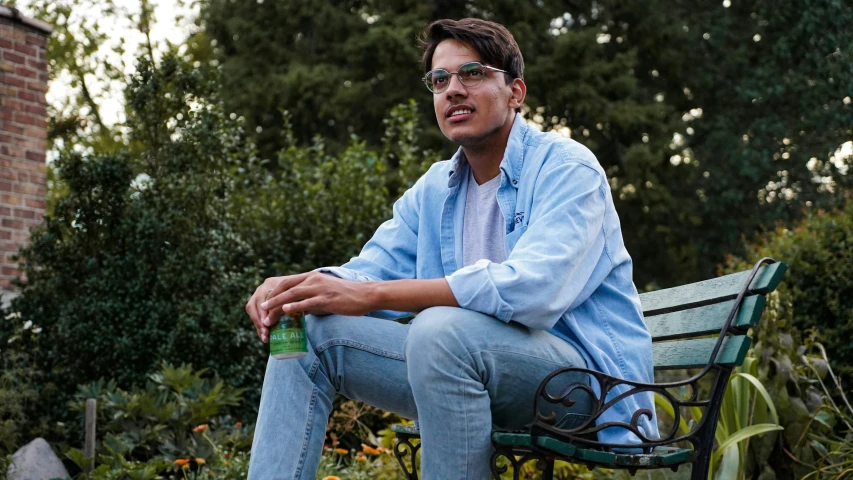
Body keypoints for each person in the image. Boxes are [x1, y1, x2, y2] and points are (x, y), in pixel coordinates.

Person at [245, 18, 657, 480]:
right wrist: (299, 288)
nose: (453, 90)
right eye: (440, 80)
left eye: (473, 73)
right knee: (309, 331)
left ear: (515, 92)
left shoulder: (567, 168)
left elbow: (533, 291)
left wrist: (375, 297)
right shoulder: (436, 189)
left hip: (581, 387)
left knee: (440, 329)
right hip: (463, 363)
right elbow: (371, 270)